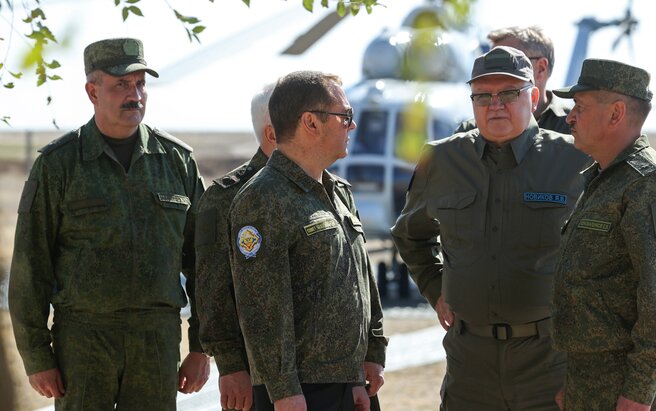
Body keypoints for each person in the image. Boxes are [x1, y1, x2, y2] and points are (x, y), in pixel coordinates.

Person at [8, 37, 210, 410]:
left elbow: (204, 263)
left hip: (156, 341)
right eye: (121, 84)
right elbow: (29, 266)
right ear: (92, 91)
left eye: (140, 83)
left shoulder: (176, 161)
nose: (135, 95)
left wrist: (201, 346)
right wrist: (37, 356)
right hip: (83, 342)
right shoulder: (59, 164)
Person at [391, 46, 589, 410]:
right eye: (482, 95)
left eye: (508, 93)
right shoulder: (442, 159)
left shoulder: (575, 158)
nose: (494, 105)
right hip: (470, 363)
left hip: (549, 362)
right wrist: (436, 288)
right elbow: (410, 234)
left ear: (533, 97)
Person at [229, 70, 387, 411]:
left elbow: (360, 279)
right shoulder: (263, 198)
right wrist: (285, 391)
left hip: (347, 383)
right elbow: (262, 309)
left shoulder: (337, 192)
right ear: (311, 122)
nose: (352, 126)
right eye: (345, 116)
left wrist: (369, 357)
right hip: (302, 391)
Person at [551, 59, 656, 410]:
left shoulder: (650, 186)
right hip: (588, 380)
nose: (569, 118)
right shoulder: (607, 179)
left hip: (622, 389)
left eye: (580, 107)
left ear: (616, 113)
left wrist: (638, 391)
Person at [195, 83, 277, 411]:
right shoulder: (226, 196)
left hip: (330, 371)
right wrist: (230, 365)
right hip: (258, 376)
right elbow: (212, 289)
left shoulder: (329, 188)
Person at [456, 26, 572, 135]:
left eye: (510, 59)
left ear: (541, 68)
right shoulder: (468, 133)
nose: (493, 71)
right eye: (491, 61)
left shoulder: (574, 126)